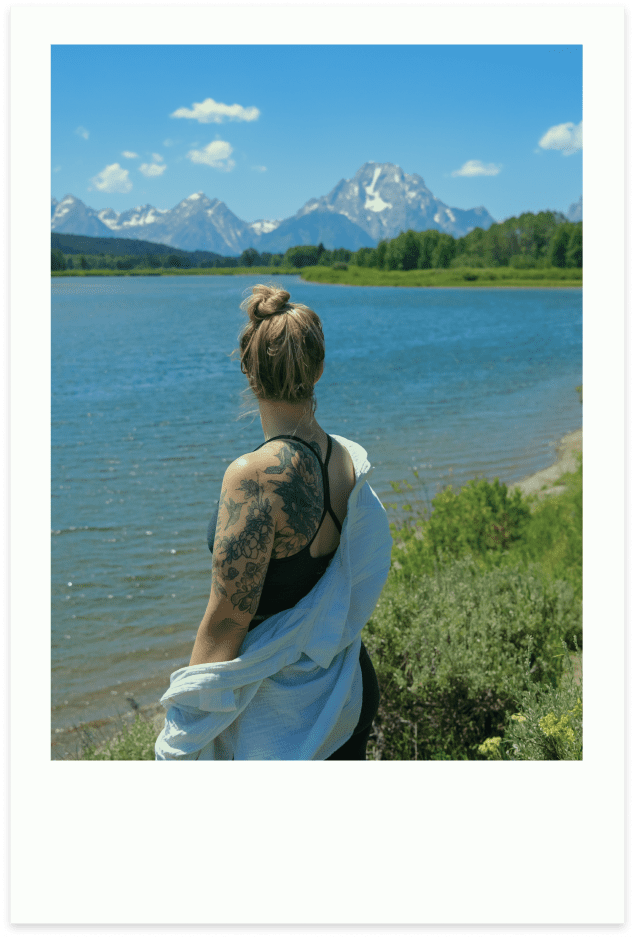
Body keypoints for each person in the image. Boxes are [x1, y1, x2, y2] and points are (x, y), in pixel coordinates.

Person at [155, 284, 392, 760]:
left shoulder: (253, 476)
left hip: (284, 714)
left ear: (248, 369)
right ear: (319, 369)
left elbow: (226, 621)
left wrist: (183, 730)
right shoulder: (343, 458)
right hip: (344, 688)